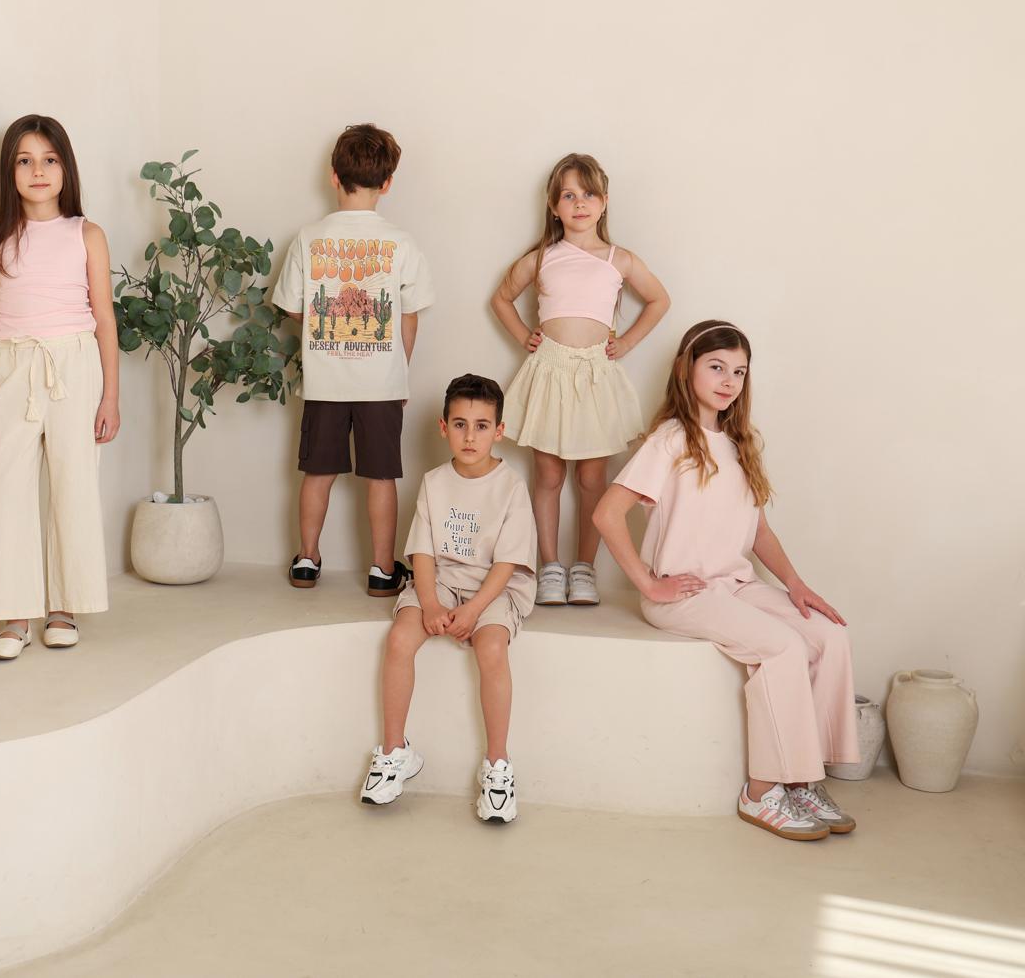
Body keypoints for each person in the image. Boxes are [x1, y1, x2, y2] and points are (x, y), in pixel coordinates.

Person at [593, 320, 859, 840]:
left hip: (736, 585)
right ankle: (761, 793)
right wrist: (649, 584)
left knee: (829, 635)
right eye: (716, 367)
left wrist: (795, 584)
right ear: (685, 369)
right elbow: (607, 514)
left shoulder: (740, 443)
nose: (728, 381)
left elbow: (758, 530)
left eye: (739, 371)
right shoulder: (670, 440)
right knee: (782, 646)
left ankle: (803, 780)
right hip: (685, 593)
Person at [0, 114, 120, 660]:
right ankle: (16, 616)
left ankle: (64, 608)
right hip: (12, 367)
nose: (38, 171)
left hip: (74, 366)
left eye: (49, 159)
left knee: (73, 485)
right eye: (25, 160)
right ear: (9, 171)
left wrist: (111, 396)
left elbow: (104, 317)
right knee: (8, 489)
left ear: (65, 168)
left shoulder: (87, 234)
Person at [493, 153, 669, 607]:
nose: (579, 204)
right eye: (568, 196)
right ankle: (551, 566)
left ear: (604, 202)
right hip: (550, 371)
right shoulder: (542, 258)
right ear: (554, 207)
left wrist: (626, 343)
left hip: (595, 376)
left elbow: (659, 300)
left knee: (593, 478)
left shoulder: (619, 259)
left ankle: (585, 567)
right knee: (549, 473)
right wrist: (524, 336)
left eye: (588, 194)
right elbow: (501, 299)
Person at [359, 374, 537, 823]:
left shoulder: (511, 486)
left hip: (494, 586)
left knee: (491, 647)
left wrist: (473, 611)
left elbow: (507, 564)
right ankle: (395, 752)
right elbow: (422, 552)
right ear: (444, 428)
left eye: (481, 426)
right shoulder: (434, 482)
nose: (470, 436)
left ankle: (498, 766)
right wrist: (431, 604)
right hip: (440, 580)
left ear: (499, 431)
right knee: (400, 638)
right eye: (460, 425)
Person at [271, 124, 435, 596]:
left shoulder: (308, 238)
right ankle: (382, 569)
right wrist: (398, 372)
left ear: (333, 176)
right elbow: (408, 318)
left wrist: (323, 331)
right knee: (381, 476)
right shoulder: (402, 243)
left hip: (325, 382)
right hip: (382, 383)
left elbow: (294, 307)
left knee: (317, 473)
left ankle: (307, 559)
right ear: (387, 183)